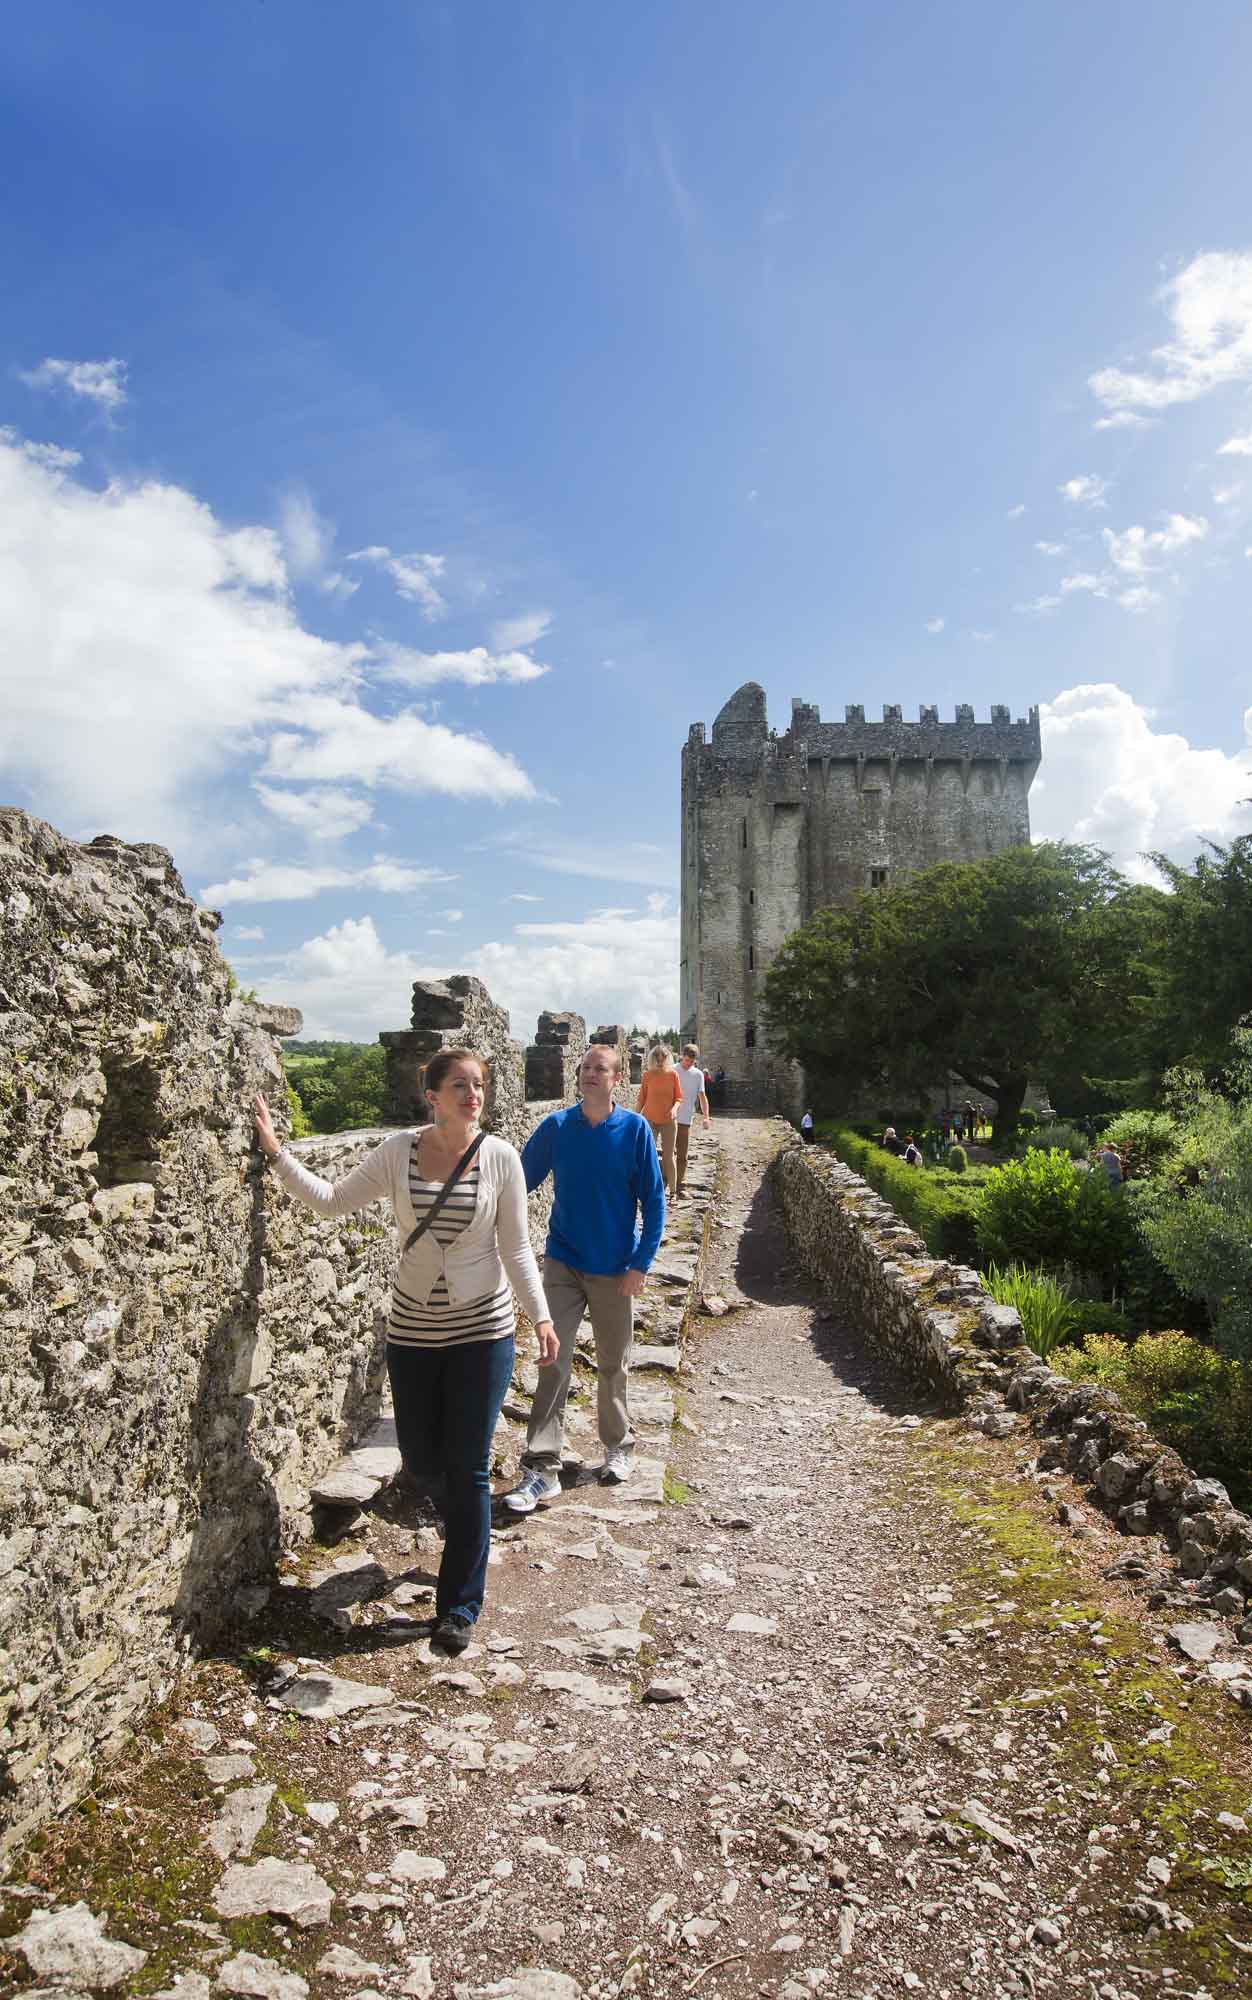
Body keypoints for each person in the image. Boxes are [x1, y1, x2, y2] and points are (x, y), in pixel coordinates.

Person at [252, 1049, 556, 1655]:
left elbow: (517, 1248)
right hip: (413, 1331)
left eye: (479, 1085)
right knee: (421, 1461)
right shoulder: (399, 1152)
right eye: (460, 1085)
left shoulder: (500, 1158)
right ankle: (467, 1522)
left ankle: (459, 1605)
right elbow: (333, 1200)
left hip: (483, 1329)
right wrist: (279, 1155)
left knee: (469, 1466)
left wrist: (541, 1315)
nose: (473, 1095)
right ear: (433, 1095)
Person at [504, 1042, 666, 1513]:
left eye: (601, 1068)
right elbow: (516, 1181)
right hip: (563, 1262)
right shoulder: (557, 1127)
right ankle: (542, 1467)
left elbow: (654, 1201)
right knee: (553, 1359)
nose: (591, 1074)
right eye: (586, 1067)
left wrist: (640, 1264)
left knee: (613, 1362)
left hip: (615, 1268)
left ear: (617, 1079)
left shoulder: (634, 1130)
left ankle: (618, 1444)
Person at [635, 1043, 682, 1199]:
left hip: (669, 1121)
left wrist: (675, 1109)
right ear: (653, 1059)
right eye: (657, 1058)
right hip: (650, 1120)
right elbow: (641, 1099)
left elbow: (679, 1098)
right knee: (648, 1156)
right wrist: (634, 1118)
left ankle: (673, 1192)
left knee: (669, 1157)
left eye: (663, 1058)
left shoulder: (673, 1075)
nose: (660, 1062)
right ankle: (649, 1191)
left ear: (668, 1059)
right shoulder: (647, 1075)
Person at [674, 1043, 711, 1199]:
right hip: (670, 1119)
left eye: (692, 1061)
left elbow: (702, 1097)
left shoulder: (698, 1075)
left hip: (686, 1119)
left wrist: (706, 1116)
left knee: (682, 1155)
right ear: (682, 1056)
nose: (688, 1063)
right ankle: (664, 1185)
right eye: (687, 1060)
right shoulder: (672, 1070)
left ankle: (680, 1187)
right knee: (668, 1155)